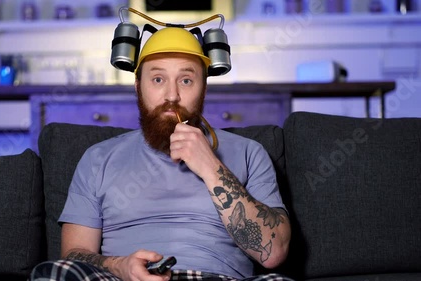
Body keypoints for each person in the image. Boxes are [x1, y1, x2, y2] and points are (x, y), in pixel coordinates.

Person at [31, 26, 292, 281]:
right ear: (138, 86)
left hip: (218, 276)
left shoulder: (249, 152)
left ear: (204, 88)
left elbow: (273, 253)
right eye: (158, 79)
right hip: (122, 279)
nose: (172, 95)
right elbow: (73, 257)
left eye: (186, 80)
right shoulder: (97, 158)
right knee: (55, 273)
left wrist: (210, 165)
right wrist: (119, 266)